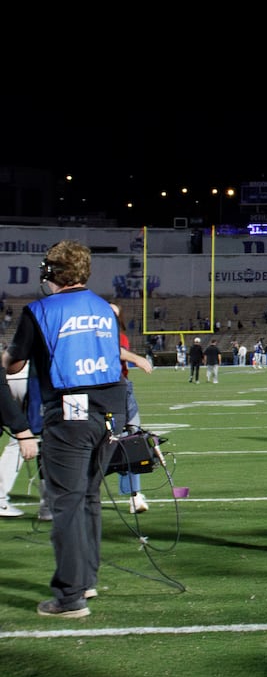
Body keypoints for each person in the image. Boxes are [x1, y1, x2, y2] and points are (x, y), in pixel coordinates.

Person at [3, 241, 124, 618]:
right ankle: (86, 579)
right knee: (89, 497)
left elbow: (13, 364)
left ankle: (70, 595)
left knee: (66, 502)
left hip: (69, 411)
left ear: (50, 273)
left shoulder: (39, 310)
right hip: (110, 411)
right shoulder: (105, 308)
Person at [109, 303, 155, 514]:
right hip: (104, 390)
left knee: (131, 441)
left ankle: (134, 495)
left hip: (122, 388)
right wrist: (136, 358)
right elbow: (114, 352)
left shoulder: (120, 336)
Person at [0, 361, 33, 518]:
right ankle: (49, 506)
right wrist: (21, 429)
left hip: (13, 377)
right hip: (29, 377)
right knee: (43, 434)